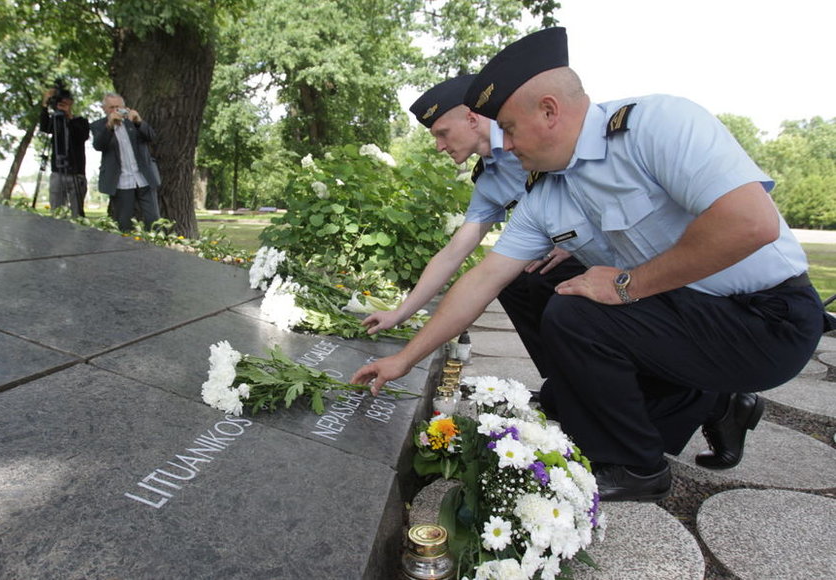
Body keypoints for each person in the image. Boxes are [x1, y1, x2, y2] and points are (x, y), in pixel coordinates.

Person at [351, 27, 828, 502]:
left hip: (768, 322)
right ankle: (708, 401)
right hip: (686, 318)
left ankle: (638, 469)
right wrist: (402, 359)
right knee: (563, 374)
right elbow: (483, 278)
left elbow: (750, 224)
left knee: (577, 314)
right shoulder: (545, 195)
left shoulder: (657, 124)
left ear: (550, 111)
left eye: (511, 130)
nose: (508, 146)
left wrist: (626, 283)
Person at [362, 74, 590, 379]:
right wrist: (401, 312)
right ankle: (560, 379)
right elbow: (455, 251)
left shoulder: (532, 137)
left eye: (442, 133)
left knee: (547, 286)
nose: (439, 146)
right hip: (543, 259)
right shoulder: (489, 177)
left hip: (590, 255)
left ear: (471, 119)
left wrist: (571, 235)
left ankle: (584, 379)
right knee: (515, 279)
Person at [91, 93, 161, 232]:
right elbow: (99, 145)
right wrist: (110, 125)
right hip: (121, 180)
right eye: (111, 107)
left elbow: (151, 136)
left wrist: (139, 122)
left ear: (125, 107)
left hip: (144, 177)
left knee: (154, 219)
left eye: (119, 107)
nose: (116, 110)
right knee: (124, 222)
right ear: (104, 109)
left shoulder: (132, 122)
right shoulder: (99, 125)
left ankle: (156, 247)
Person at [39, 84, 90, 217]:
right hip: (58, 172)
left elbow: (83, 136)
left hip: (76, 172)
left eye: (66, 103)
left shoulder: (80, 121)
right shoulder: (55, 122)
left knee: (77, 214)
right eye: (61, 103)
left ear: (71, 103)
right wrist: (45, 105)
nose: (63, 105)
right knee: (57, 213)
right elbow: (44, 127)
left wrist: (68, 117)